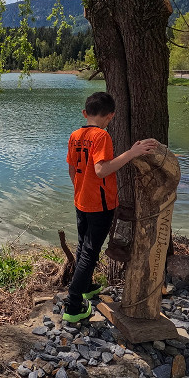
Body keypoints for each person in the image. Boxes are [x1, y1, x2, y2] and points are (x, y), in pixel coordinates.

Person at [63, 92, 158, 322]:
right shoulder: (101, 136)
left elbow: (70, 168)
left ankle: (85, 286)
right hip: (99, 204)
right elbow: (102, 170)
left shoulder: (75, 135)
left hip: (81, 200)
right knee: (90, 250)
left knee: (83, 245)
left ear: (85, 113)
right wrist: (132, 153)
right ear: (111, 116)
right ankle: (73, 305)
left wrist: (80, 189)